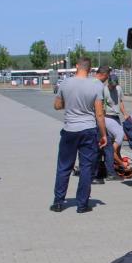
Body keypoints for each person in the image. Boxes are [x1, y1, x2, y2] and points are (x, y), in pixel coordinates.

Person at [51, 58, 107, 213]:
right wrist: (104, 134)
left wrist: (68, 103)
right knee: (86, 168)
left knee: (64, 166)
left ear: (77, 67)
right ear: (90, 69)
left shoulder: (65, 83)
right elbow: (100, 114)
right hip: (88, 129)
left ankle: (58, 202)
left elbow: (57, 105)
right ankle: (82, 204)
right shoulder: (96, 85)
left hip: (70, 129)